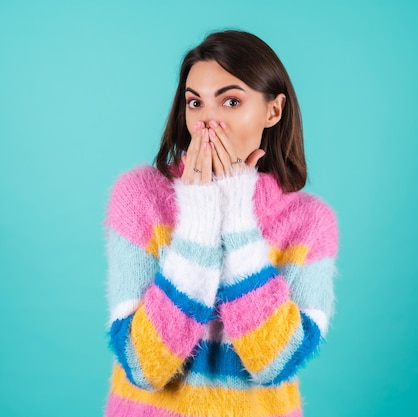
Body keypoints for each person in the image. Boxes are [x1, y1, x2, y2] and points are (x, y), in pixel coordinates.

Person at [103, 30, 339, 417]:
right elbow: (143, 366)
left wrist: (237, 221)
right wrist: (198, 221)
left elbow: (275, 363)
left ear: (273, 111)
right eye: (195, 103)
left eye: (231, 101)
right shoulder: (140, 198)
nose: (207, 123)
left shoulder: (310, 223)